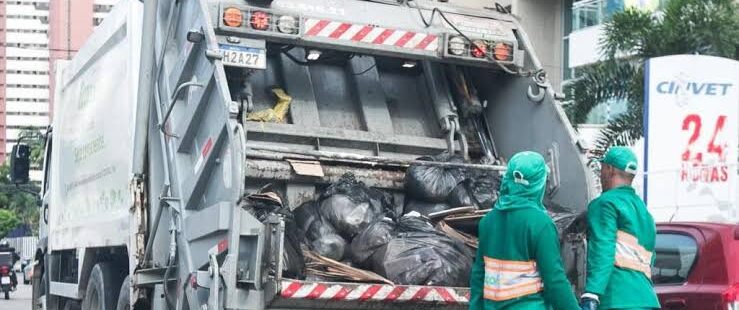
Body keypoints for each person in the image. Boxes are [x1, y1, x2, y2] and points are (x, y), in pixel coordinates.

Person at [470, 151, 579, 310]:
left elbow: (479, 274)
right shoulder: (541, 224)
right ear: (538, 184)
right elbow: (554, 281)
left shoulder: (488, 221)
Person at [580, 147, 660, 310]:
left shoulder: (605, 204)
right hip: (647, 300)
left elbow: (603, 247)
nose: (600, 174)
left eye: (602, 168)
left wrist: (592, 293)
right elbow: (650, 260)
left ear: (609, 169)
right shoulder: (645, 214)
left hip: (617, 299)